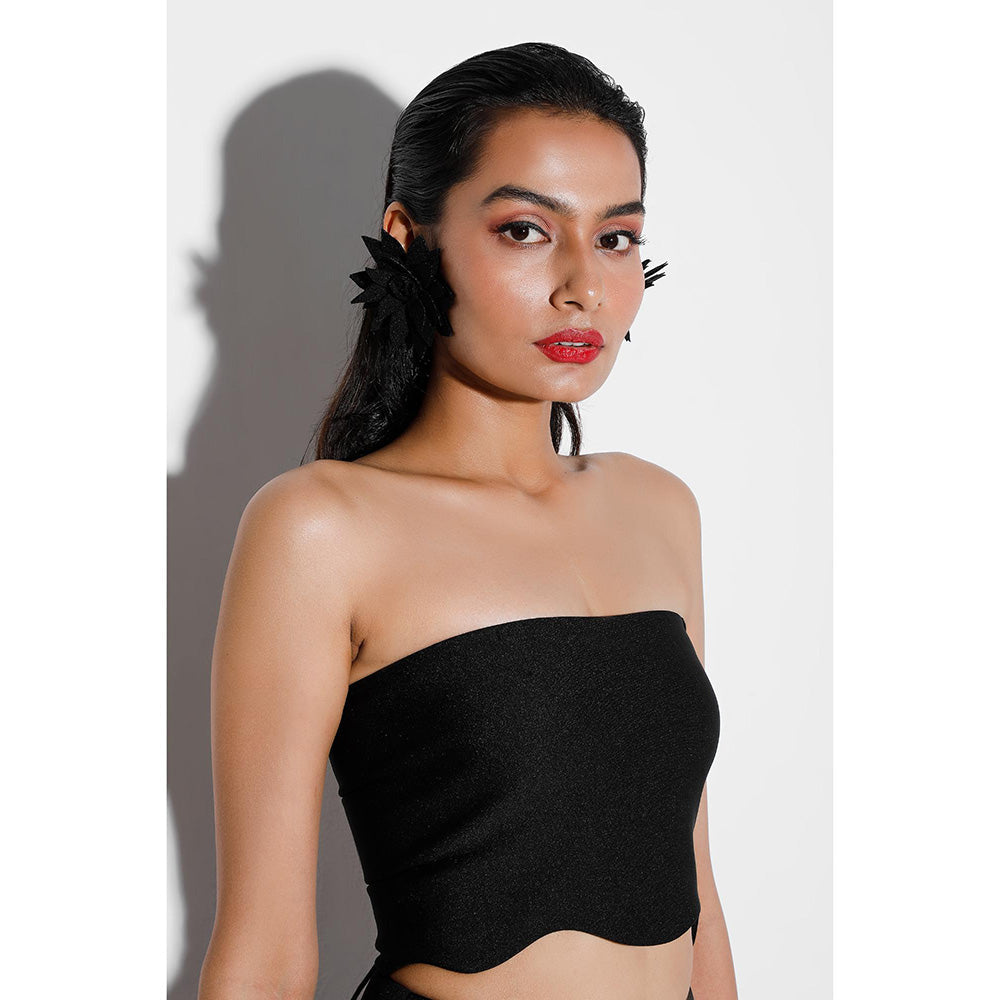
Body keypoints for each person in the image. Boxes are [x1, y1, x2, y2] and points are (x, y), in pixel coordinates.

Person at [199, 41, 738, 1000]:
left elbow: (696, 890)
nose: (583, 285)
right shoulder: (321, 529)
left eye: (616, 238)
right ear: (411, 241)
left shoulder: (659, 508)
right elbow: (265, 956)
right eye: (526, 230)